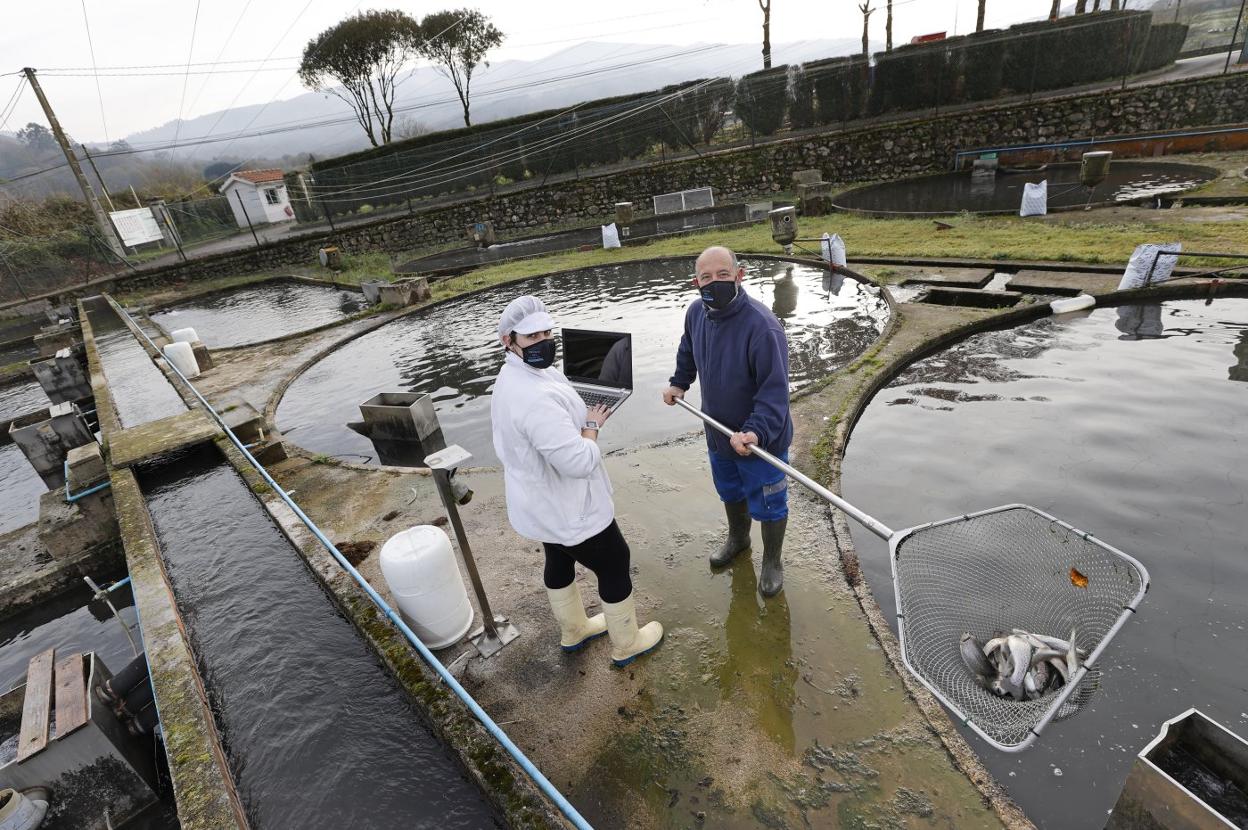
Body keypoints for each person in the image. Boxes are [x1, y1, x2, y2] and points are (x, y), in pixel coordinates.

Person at [491, 296, 663, 666]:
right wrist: (591, 426)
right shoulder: (532, 398)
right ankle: (627, 643)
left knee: (557, 554)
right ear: (509, 340)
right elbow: (579, 462)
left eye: (546, 333)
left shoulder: (516, 376)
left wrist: (584, 411)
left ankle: (574, 630)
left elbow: (552, 414)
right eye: (531, 336)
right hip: (568, 504)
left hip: (538, 501)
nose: (543, 342)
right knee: (615, 561)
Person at [663, 246, 793, 597]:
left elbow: (774, 394)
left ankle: (772, 561)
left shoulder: (763, 327)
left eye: (723, 274)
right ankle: (738, 538)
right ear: (696, 283)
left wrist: (755, 431)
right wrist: (679, 382)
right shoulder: (695, 313)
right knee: (730, 490)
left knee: (769, 500)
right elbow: (688, 350)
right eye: (707, 277)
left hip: (759, 440)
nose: (715, 282)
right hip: (719, 434)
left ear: (740, 274)